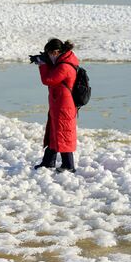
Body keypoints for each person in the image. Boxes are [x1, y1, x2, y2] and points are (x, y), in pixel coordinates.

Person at [32, 39, 79, 173]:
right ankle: (48, 162)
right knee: (54, 131)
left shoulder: (64, 66)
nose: (50, 56)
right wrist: (46, 61)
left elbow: (48, 79)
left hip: (64, 104)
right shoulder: (61, 62)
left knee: (63, 133)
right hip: (58, 102)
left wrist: (42, 64)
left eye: (50, 54)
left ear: (56, 52)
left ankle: (68, 165)